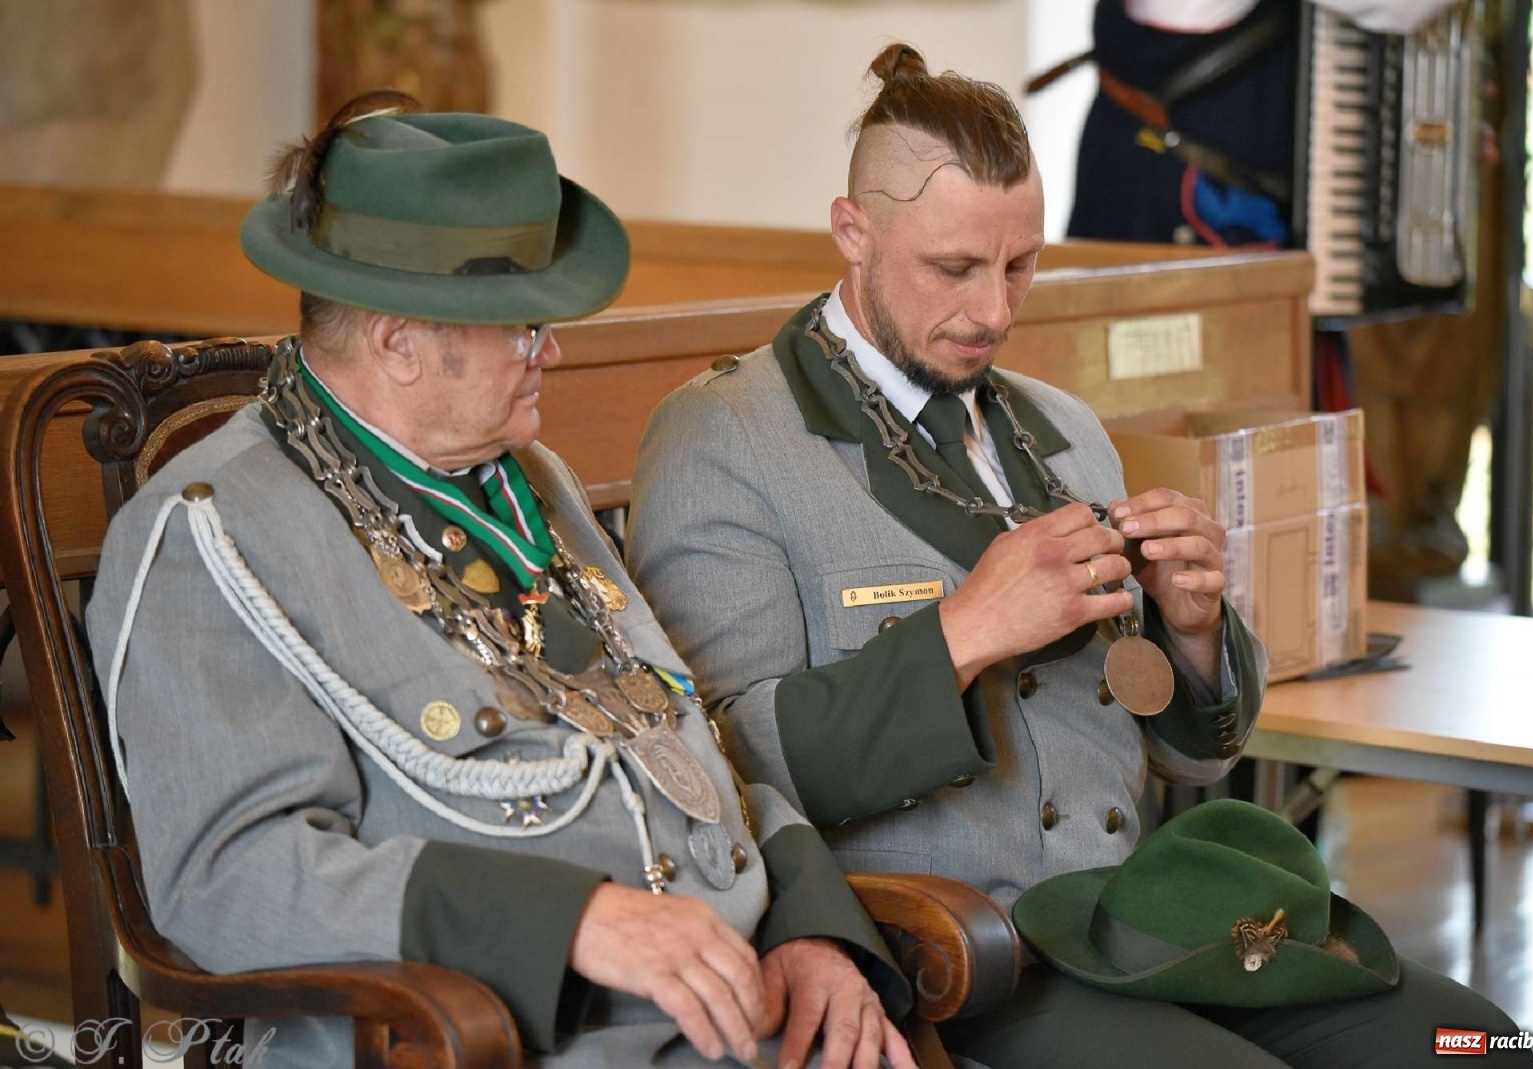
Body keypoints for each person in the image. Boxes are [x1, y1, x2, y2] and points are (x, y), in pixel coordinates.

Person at [627, 45, 1533, 1067]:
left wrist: (1191, 631)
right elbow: (719, 767)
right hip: (966, 951)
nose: (995, 312)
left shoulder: (1060, 428)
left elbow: (1194, 753)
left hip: (1144, 918)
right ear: (852, 231)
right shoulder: (727, 437)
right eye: (953, 269)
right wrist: (963, 633)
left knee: (1474, 1044)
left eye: (1020, 267)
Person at [83, 93, 914, 1069]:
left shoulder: (527, 482)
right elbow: (229, 881)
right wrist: (573, 920)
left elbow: (674, 734)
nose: (549, 353)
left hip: (727, 1016)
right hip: (485, 1040)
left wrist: (807, 923)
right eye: (521, 328)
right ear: (395, 341)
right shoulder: (209, 532)